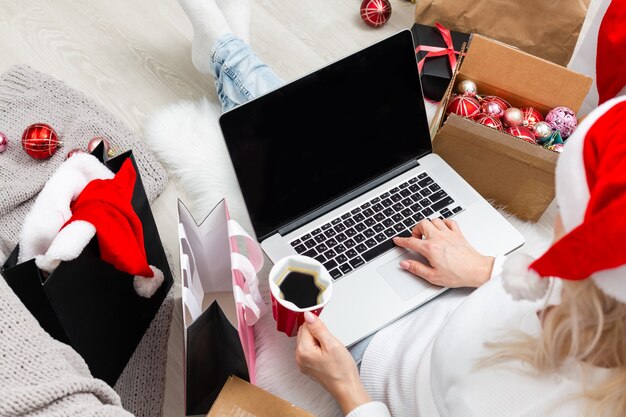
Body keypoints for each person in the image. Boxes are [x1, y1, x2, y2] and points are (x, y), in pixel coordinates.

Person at [177, 1, 626, 416]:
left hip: (379, 350)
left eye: (572, 202)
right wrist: (485, 270)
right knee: (344, 155)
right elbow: (555, 299)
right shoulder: (597, 304)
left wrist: (346, 387)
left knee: (298, 155)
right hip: (455, 287)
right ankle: (225, 52)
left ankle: (224, 51)